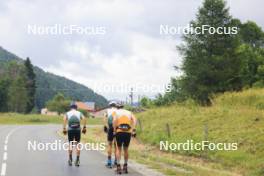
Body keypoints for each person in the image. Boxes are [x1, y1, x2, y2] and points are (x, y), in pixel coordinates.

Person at [113, 103, 137, 174]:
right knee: (126, 149)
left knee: (118, 148)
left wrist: (114, 130)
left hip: (119, 131)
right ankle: (125, 166)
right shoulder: (129, 112)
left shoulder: (116, 112)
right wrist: (134, 129)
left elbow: (114, 121)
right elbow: (135, 119)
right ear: (123, 107)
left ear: (117, 107)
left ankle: (118, 167)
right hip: (128, 131)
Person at [63, 102, 87, 167]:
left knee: (70, 143)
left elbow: (64, 119)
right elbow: (84, 118)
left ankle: (70, 159)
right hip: (78, 129)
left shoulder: (67, 113)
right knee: (78, 144)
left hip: (70, 129)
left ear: (70, 107)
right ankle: (77, 160)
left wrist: (64, 128)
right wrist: (84, 127)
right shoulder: (79, 113)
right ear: (76, 107)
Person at [104, 101, 118, 168]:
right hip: (117, 128)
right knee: (116, 145)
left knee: (110, 144)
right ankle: (116, 161)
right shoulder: (118, 110)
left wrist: (105, 126)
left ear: (110, 105)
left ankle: (109, 162)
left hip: (110, 127)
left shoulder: (108, 110)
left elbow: (104, 118)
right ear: (115, 105)